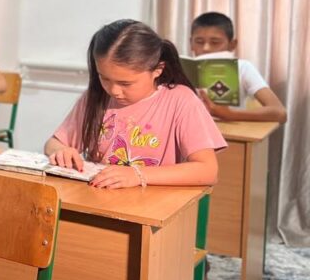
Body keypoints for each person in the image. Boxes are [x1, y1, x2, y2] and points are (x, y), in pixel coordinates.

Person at [45, 19, 224, 188]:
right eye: (104, 78)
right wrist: (61, 151)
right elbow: (53, 143)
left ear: (158, 70)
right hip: (97, 198)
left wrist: (137, 175)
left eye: (125, 83)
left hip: (154, 204)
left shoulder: (181, 100)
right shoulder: (96, 97)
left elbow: (207, 170)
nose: (114, 90)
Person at [189, 11, 287, 123]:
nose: (206, 48)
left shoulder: (243, 68)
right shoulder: (183, 67)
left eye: (215, 42)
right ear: (191, 43)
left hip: (229, 131)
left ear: (232, 45)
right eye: (199, 42)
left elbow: (280, 112)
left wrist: (230, 114)